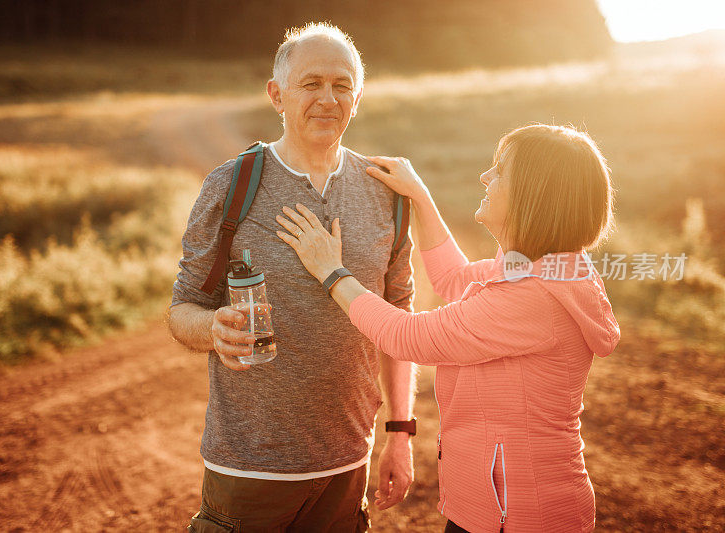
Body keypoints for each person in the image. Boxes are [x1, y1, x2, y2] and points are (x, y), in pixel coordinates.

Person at [276, 124, 621, 533]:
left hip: (522, 514)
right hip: (497, 505)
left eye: (499, 170)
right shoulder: (538, 268)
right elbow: (453, 279)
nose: (485, 177)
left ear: (533, 195)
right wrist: (419, 196)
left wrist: (331, 271)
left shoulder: (534, 295)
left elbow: (407, 337)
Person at [168, 22, 417, 532]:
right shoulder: (231, 185)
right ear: (277, 95)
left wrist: (400, 434)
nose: (328, 98)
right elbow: (182, 308)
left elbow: (399, 323)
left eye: (342, 85)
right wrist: (212, 329)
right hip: (249, 468)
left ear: (358, 96)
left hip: (349, 462)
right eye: (311, 84)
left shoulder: (386, 194)